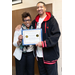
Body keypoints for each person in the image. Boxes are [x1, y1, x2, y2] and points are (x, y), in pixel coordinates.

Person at [15, 1, 61, 75]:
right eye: (38, 7)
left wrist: (43, 43)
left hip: (50, 56)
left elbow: (56, 35)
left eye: (41, 7)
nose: (39, 8)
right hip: (39, 56)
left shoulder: (52, 20)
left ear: (45, 8)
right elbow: (27, 24)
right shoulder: (35, 21)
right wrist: (20, 25)